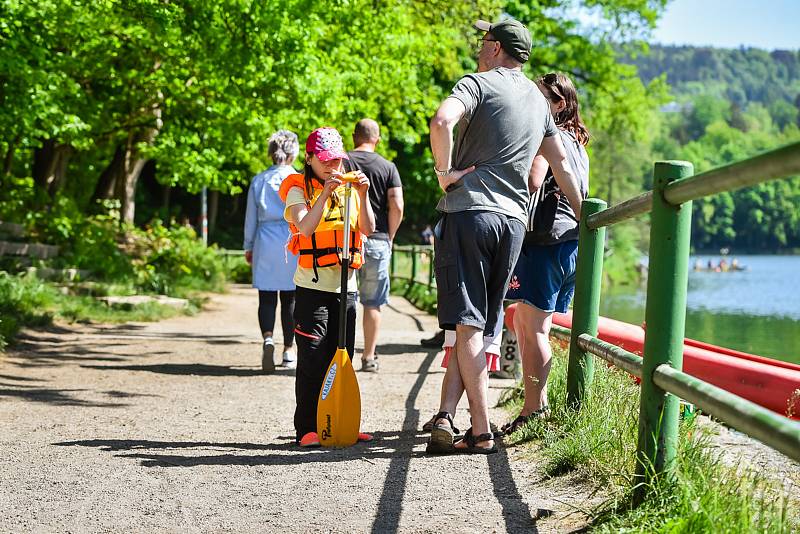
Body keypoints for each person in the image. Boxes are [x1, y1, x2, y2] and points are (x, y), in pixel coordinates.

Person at [426, 18, 583, 455]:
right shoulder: (538, 100)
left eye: (483, 41)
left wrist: (445, 174)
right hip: (514, 224)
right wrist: (584, 215)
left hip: (471, 212)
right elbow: (563, 169)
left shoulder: (477, 83)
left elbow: (441, 122)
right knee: (486, 320)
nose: (479, 48)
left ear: (496, 48)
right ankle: (467, 422)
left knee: (468, 324)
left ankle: (479, 431)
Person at [501, 72, 590, 436]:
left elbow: (534, 180)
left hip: (546, 241)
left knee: (531, 325)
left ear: (559, 104)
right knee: (531, 322)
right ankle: (538, 402)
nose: (533, 104)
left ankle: (534, 409)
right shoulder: (578, 143)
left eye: (542, 98)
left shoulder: (547, 137)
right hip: (570, 241)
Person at [278, 127, 376, 447]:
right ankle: (307, 427)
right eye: (325, 161)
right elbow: (305, 228)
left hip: (346, 288)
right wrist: (324, 193)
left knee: (342, 356)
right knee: (313, 359)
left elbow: (368, 229)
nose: (333, 166)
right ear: (309, 160)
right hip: (312, 289)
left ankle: (340, 419)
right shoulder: (297, 189)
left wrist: (362, 194)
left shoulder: (349, 188)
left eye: (336, 160)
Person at [343, 119, 404, 372]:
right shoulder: (388, 167)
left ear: (354, 136)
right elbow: (397, 205)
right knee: (372, 302)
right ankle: (368, 357)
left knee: (343, 299)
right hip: (377, 240)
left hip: (346, 240)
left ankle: (341, 358)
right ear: (376, 139)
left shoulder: (343, 162)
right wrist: (389, 236)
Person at [244, 130, 300, 373]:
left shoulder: (259, 180)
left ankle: (268, 337)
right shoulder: (298, 179)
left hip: (265, 240)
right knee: (291, 298)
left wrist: (248, 246)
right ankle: (289, 350)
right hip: (291, 239)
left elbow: (250, 218)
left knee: (266, 297)